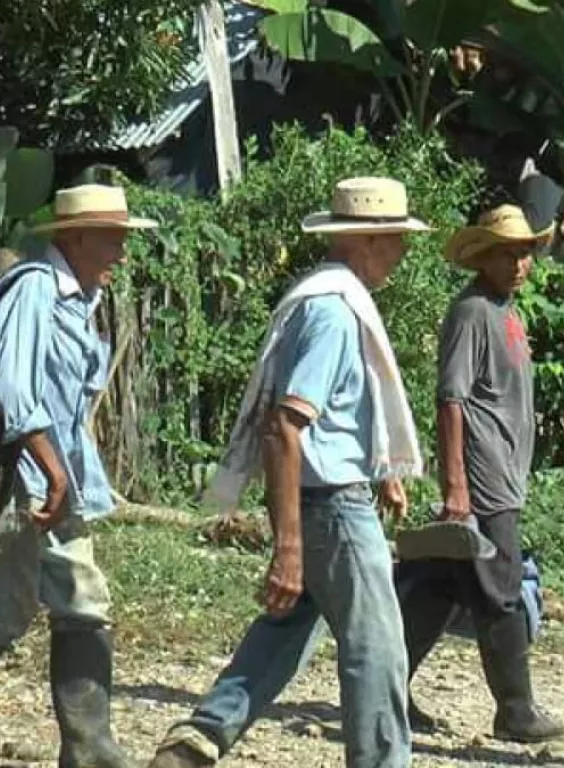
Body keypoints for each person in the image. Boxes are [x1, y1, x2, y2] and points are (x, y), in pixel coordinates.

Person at [148, 177, 429, 768]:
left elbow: (327, 417)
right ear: (366, 242)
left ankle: (199, 740)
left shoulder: (318, 296)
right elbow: (285, 426)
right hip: (333, 504)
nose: (402, 253)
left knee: (289, 628)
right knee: (377, 649)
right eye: (396, 240)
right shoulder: (334, 313)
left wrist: (379, 468)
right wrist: (289, 546)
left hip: (323, 494)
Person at [0, 184, 159, 768]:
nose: (121, 249)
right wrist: (51, 469)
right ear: (75, 237)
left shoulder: (77, 298)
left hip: (48, 473)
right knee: (78, 600)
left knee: (1, 606)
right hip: (31, 478)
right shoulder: (35, 291)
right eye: (112, 237)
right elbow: (14, 389)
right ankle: (87, 752)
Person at [394, 204, 564, 744]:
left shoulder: (507, 311)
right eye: (508, 253)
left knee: (439, 586)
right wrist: (456, 485)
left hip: (504, 475)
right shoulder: (471, 311)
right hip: (484, 479)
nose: (520, 263)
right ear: (483, 257)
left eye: (525, 252)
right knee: (501, 589)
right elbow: (452, 399)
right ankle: (515, 710)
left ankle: (384, 690)